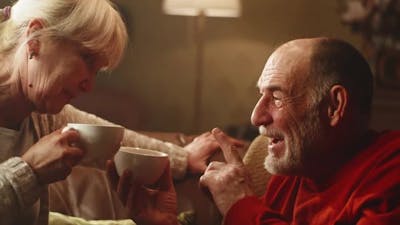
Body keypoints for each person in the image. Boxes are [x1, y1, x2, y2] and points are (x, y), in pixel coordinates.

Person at [0, 1, 219, 225]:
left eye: (96, 72)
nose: (89, 86)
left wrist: (184, 158)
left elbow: (112, 139)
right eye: (87, 59)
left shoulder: (40, 115)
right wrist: (29, 172)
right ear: (35, 37)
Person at [198, 37, 400, 224]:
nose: (256, 117)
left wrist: (240, 205)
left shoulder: (391, 172)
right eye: (261, 94)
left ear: (334, 106)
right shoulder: (299, 166)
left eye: (277, 97)